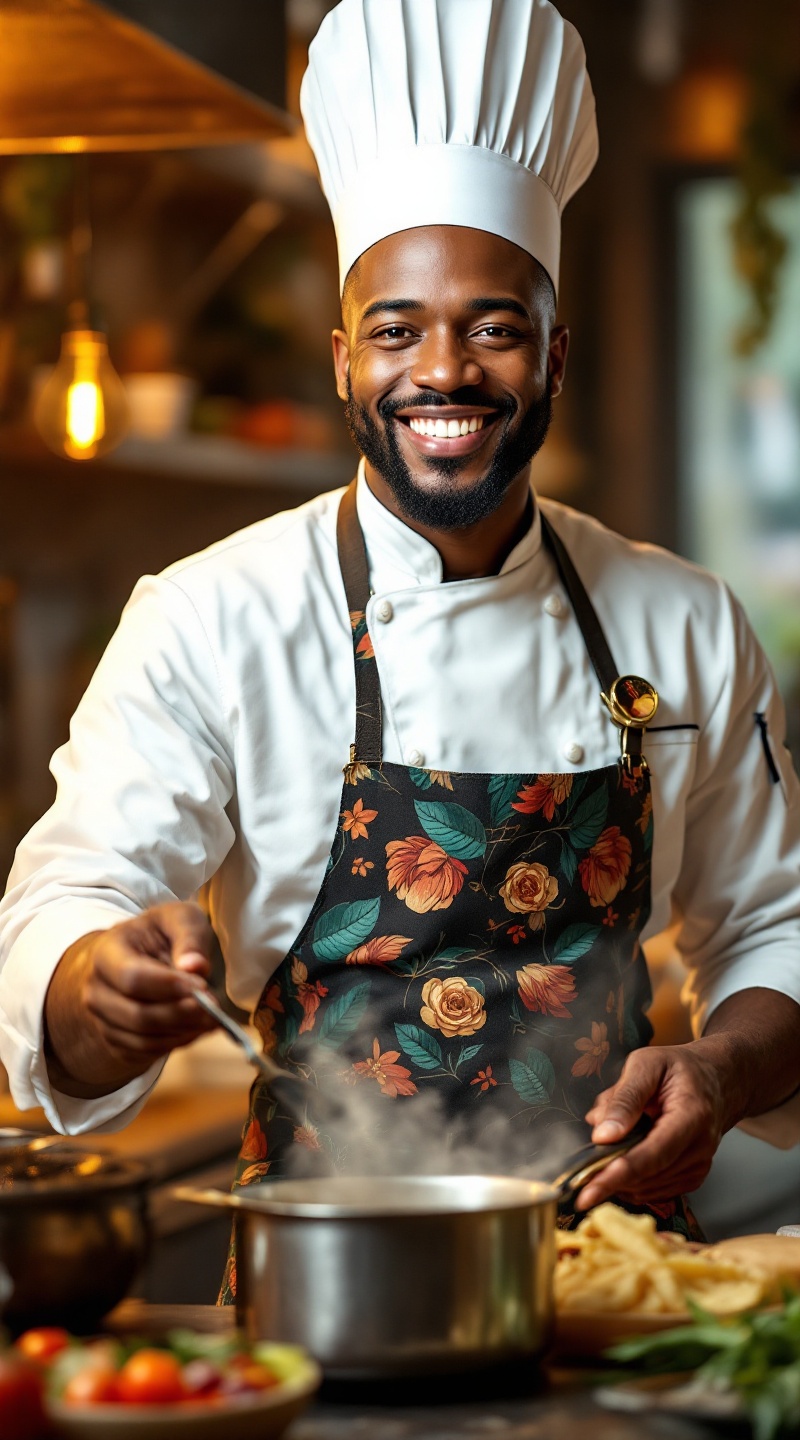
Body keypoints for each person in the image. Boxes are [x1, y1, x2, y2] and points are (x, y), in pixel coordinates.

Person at [1, 0, 799, 1273]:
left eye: (493, 326)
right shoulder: (211, 615)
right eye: (396, 329)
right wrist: (96, 983)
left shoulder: (681, 616)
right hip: (319, 1291)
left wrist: (718, 1062)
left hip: (624, 1282)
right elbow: (74, 893)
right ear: (339, 360)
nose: (444, 369)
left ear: (552, 356)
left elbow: (772, 924)